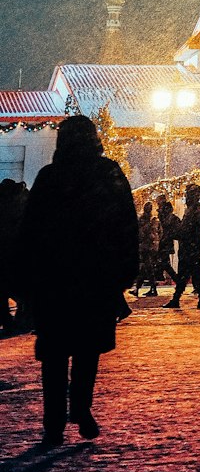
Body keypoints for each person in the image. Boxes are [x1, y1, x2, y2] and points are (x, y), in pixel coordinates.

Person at [17, 114, 139, 446]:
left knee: (55, 355)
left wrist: (27, 278)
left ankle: (53, 422)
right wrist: (124, 270)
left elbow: (30, 232)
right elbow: (126, 225)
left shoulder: (50, 177)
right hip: (95, 278)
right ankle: (81, 409)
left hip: (55, 280)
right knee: (87, 350)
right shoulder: (108, 174)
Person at [163, 184, 200, 311]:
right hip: (189, 246)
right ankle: (178, 299)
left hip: (190, 247)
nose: (186, 197)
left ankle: (199, 299)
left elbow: (189, 229)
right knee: (187, 273)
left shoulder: (196, 210)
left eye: (188, 194)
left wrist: (177, 232)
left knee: (193, 273)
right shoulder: (193, 209)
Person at [0, 178, 30, 334]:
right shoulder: (22, 202)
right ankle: (22, 317)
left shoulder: (6, 204)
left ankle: (8, 320)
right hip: (18, 252)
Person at [131, 200, 162, 297]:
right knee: (146, 267)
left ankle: (149, 288)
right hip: (152, 246)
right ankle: (140, 288)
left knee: (146, 267)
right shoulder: (154, 220)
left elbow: (141, 232)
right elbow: (160, 232)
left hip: (145, 246)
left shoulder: (143, 220)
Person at [155, 195, 181, 286]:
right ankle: (174, 279)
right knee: (163, 262)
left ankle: (176, 280)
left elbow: (165, 227)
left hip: (164, 240)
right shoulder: (166, 213)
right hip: (166, 240)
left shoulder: (164, 214)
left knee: (163, 262)